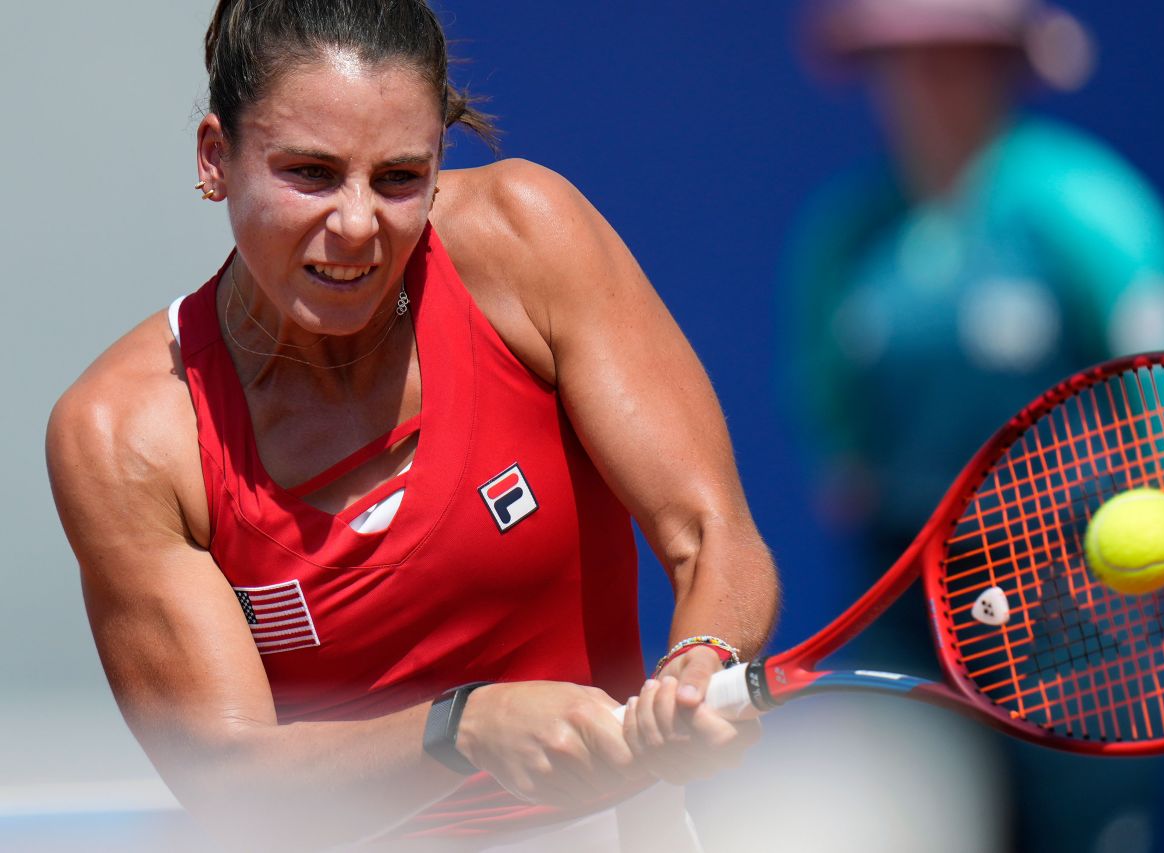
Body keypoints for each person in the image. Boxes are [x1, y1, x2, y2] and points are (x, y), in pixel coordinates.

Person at [45, 1, 778, 850]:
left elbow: (711, 531)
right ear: (216, 159)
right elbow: (229, 778)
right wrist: (463, 728)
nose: (357, 225)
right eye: (310, 174)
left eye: (398, 178)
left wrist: (702, 661)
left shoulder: (527, 237)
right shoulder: (121, 433)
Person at [785, 0, 1164, 850]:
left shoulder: (1085, 205)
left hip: (1079, 601)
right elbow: (833, 426)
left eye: (960, 57)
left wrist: (1146, 531)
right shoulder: (848, 231)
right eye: (910, 60)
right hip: (911, 598)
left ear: (1004, 67)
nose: (932, 83)